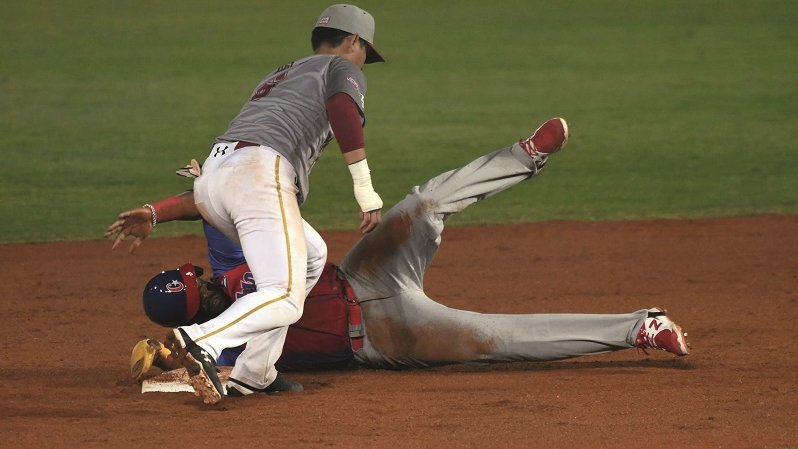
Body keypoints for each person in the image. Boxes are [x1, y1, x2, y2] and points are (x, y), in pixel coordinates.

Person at [107, 118, 690, 395]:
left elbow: (208, 206)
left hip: (365, 270)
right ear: (192, 317)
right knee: (499, 340)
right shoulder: (227, 340)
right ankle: (640, 327)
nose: (207, 290)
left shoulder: (230, 259)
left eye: (199, 283)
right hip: (387, 338)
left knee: (425, 202)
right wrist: (172, 371)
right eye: (197, 299)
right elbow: (253, 380)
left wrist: (159, 210)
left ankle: (525, 155)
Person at [120, 5, 387, 405]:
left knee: (312, 254)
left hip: (215, 176)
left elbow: (232, 169)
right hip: (259, 173)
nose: (365, 60)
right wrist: (365, 189)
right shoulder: (339, 68)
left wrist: (157, 210)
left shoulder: (280, 74)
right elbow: (343, 110)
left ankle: (255, 372)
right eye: (365, 50)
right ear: (353, 41)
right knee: (284, 296)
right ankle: (198, 340)